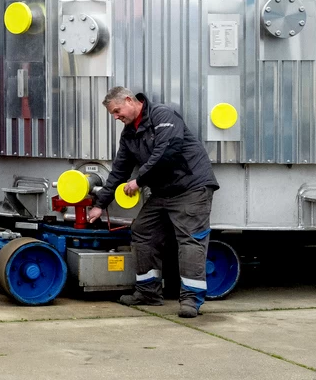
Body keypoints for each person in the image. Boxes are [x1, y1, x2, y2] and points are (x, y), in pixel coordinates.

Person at [90, 86, 219, 318]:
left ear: (129, 100)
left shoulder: (162, 115)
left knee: (190, 240)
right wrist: (100, 204)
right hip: (163, 191)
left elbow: (167, 152)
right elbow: (119, 171)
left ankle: (191, 300)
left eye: (117, 111)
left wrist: (139, 181)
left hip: (191, 188)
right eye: (113, 114)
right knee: (143, 230)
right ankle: (148, 292)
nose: (116, 117)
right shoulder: (129, 134)